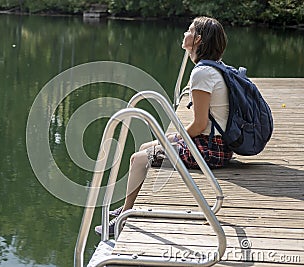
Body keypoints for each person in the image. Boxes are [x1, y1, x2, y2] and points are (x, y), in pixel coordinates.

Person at [95, 16, 234, 236]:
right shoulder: (214, 68)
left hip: (211, 150)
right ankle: (127, 207)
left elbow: (199, 125)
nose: (184, 34)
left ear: (198, 39)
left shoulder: (202, 74)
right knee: (145, 147)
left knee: (138, 159)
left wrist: (178, 139)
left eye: (189, 30)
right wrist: (172, 139)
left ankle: (124, 218)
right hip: (216, 142)